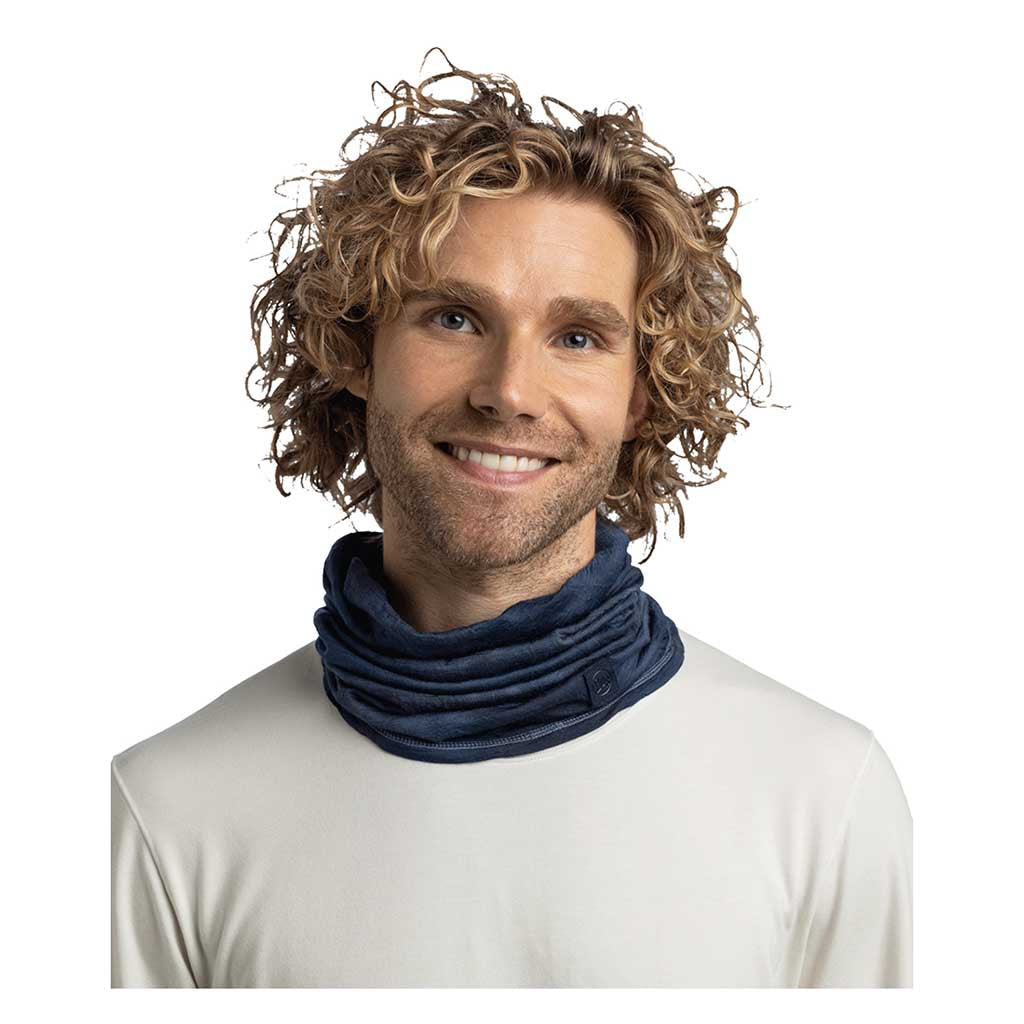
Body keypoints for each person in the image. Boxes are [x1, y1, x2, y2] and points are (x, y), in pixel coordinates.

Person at [110, 52, 912, 988]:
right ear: (357, 346)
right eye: (454, 318)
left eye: (577, 337)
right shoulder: (169, 809)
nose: (509, 392)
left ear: (640, 393)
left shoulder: (823, 796)